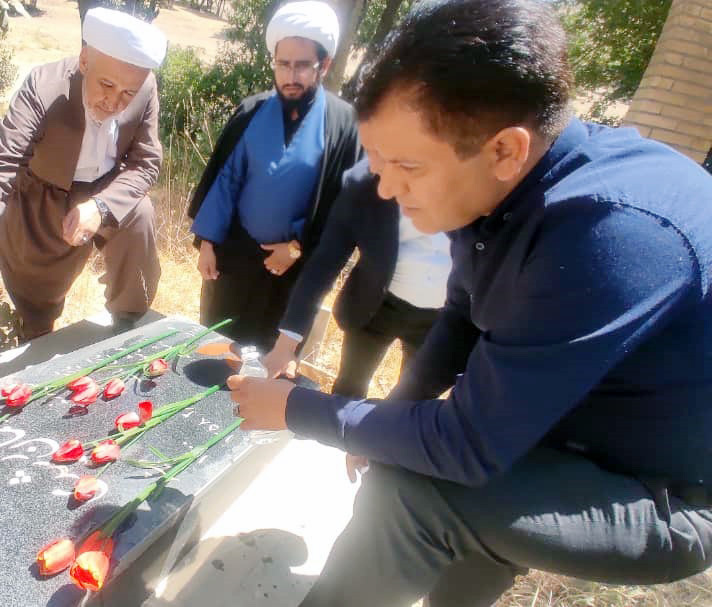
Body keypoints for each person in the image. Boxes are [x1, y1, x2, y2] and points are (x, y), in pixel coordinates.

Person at [226, 1, 712, 605]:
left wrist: (300, 409)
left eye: (407, 166)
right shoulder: (500, 187)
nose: (387, 189)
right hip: (552, 431)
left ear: (505, 150)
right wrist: (387, 419)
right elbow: (460, 316)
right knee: (428, 479)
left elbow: (469, 445)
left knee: (414, 489)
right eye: (377, 162)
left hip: (657, 493)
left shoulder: (609, 232)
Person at [0, 8, 166, 353]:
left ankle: (128, 327)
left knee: (139, 214)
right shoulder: (43, 86)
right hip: (42, 195)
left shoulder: (145, 89)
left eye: (128, 93)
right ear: (85, 61)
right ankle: (36, 338)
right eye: (106, 85)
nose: (114, 102)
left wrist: (102, 206)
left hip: (105, 191)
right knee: (37, 308)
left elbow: (146, 162)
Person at [187, 0, 361, 350]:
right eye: (283, 64)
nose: (290, 76)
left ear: (324, 65)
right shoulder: (251, 111)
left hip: (292, 269)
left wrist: (297, 248)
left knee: (268, 360)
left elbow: (343, 207)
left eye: (302, 65)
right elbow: (224, 180)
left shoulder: (343, 125)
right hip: (233, 258)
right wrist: (207, 243)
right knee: (217, 348)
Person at [262, 158, 451, 399]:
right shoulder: (364, 181)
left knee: (413, 406)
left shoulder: (480, 182)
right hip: (374, 306)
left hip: (442, 318)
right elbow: (325, 263)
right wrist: (286, 344)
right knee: (348, 390)